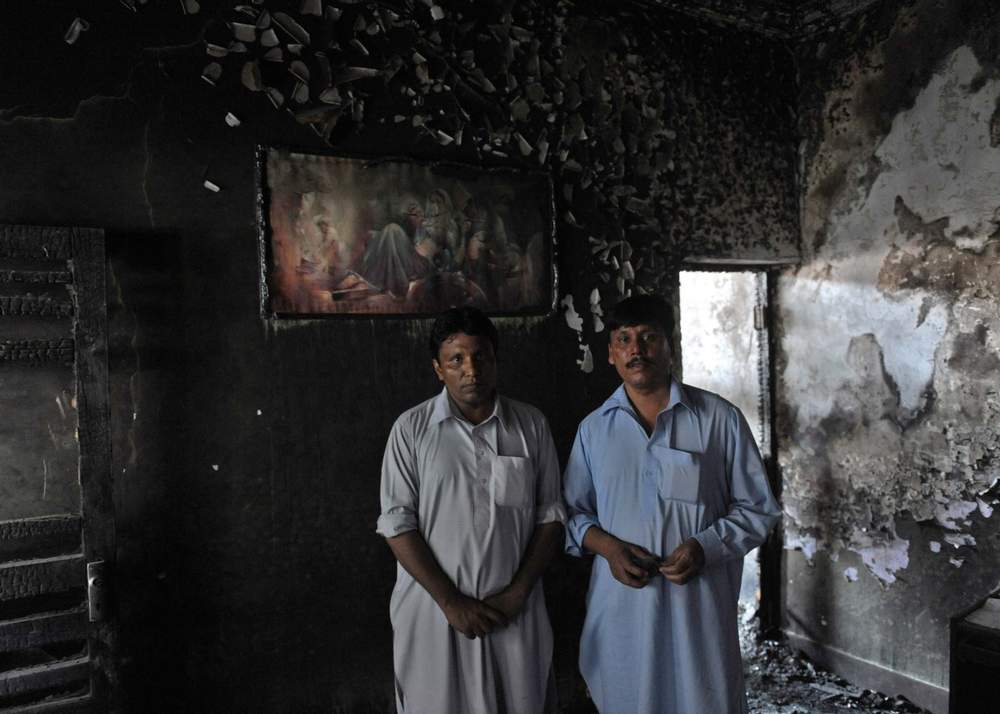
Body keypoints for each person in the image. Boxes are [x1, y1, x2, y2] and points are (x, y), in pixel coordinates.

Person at [563, 294, 781, 714]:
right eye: (624, 339)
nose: (636, 350)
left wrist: (706, 546)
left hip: (698, 613)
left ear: (671, 344)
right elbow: (573, 514)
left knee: (703, 699)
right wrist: (609, 549)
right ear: (610, 353)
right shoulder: (593, 431)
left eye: (649, 338)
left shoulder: (719, 419)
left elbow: (758, 508)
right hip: (623, 612)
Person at [377, 306, 566, 713]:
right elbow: (396, 525)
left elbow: (550, 516)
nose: (471, 370)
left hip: (513, 614)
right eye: (456, 359)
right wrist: (450, 602)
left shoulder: (530, 425)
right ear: (437, 368)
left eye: (480, 356)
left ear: (495, 359)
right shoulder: (411, 430)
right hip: (434, 615)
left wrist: (517, 593)